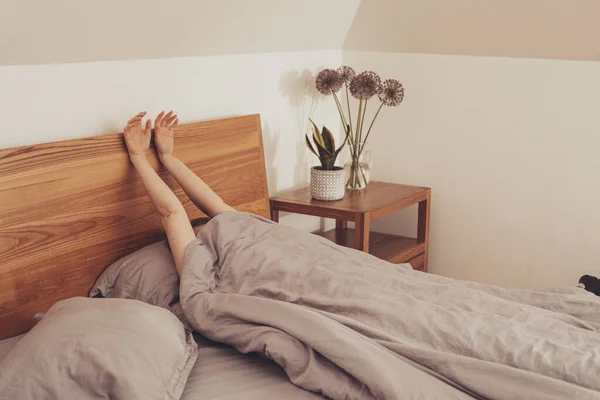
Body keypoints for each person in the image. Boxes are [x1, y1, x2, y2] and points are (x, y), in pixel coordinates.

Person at [123, 111, 234, 277]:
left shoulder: (248, 233)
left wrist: (167, 157)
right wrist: (138, 156)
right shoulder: (202, 277)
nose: (214, 236)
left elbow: (217, 206)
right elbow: (172, 212)